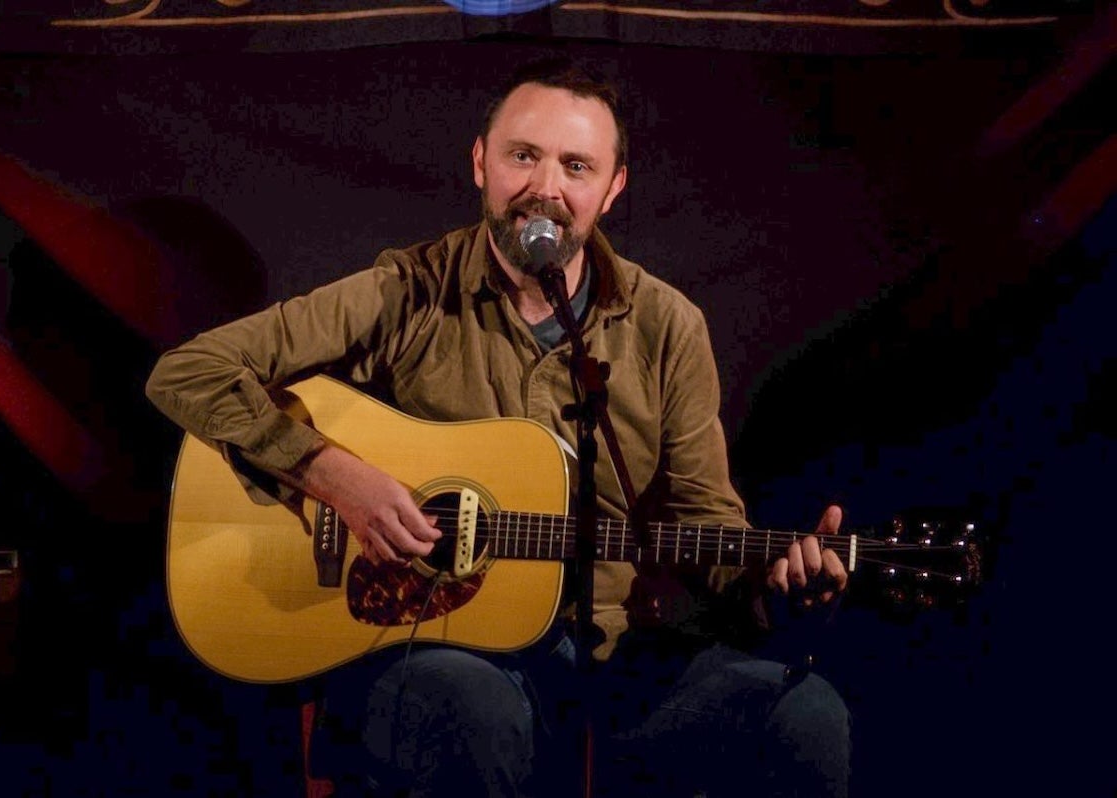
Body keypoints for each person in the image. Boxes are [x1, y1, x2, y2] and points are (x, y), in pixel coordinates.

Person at [146, 58, 851, 798]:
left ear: (610, 191)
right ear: (481, 162)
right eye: (524, 155)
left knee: (801, 712)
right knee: (469, 707)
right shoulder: (406, 290)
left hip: (614, 656)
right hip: (433, 649)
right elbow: (188, 372)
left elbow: (705, 522)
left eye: (576, 166)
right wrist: (330, 474)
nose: (546, 188)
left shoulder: (666, 324)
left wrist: (771, 581)